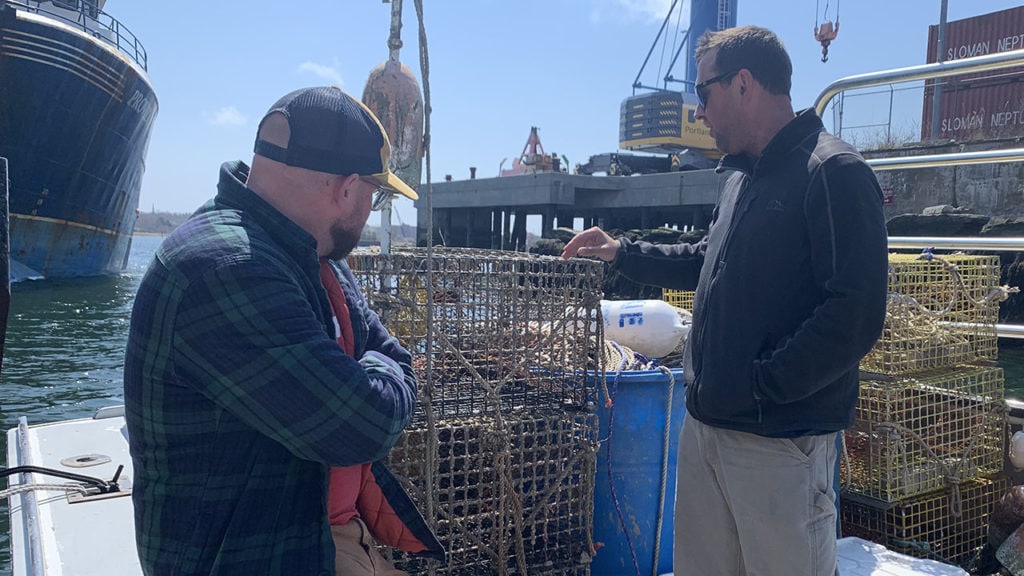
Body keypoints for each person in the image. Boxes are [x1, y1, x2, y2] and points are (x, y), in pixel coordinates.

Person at [561, 26, 888, 575]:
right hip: (708, 429)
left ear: (743, 84)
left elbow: (855, 314)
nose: (700, 111)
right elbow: (703, 258)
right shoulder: (741, 178)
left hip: (779, 443)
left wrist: (761, 386)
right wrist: (621, 251)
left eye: (703, 92)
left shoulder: (833, 172)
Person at [124, 86, 444, 575]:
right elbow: (364, 423)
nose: (370, 207)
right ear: (346, 187)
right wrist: (384, 371)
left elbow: (380, 353)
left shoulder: (310, 253)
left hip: (313, 529)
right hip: (255, 553)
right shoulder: (221, 268)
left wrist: (373, 369)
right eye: (374, 194)